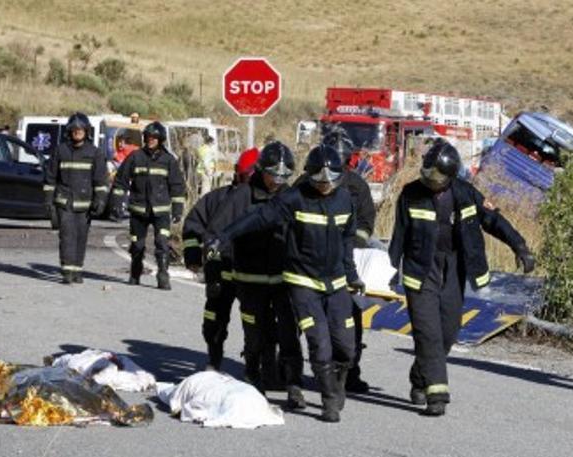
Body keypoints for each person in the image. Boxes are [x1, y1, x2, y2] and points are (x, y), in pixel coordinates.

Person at [210, 144, 365, 423]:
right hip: (301, 281)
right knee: (317, 341)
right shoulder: (294, 199)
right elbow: (258, 217)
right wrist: (225, 237)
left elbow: (347, 240)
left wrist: (352, 275)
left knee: (346, 346)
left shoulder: (345, 200)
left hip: (336, 283)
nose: (325, 186)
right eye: (320, 180)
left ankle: (338, 379)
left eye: (331, 180)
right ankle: (327, 399)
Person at [388, 140, 535, 416]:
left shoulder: (466, 193)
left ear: (451, 176)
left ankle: (420, 377)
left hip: (454, 268)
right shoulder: (410, 194)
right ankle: (437, 394)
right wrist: (392, 268)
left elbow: (494, 221)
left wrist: (520, 246)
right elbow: (399, 235)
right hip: (421, 269)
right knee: (427, 331)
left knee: (448, 331)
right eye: (428, 172)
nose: (431, 179)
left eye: (437, 176)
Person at [208, 142, 301, 402]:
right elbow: (215, 236)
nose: (277, 181)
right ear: (261, 170)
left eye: (284, 177)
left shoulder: (291, 196)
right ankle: (253, 374)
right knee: (255, 332)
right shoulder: (241, 196)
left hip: (284, 279)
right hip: (249, 279)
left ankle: (292, 382)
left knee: (288, 333)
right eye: (273, 175)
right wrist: (215, 274)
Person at [182, 147, 259, 371]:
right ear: (237, 172)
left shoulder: (266, 202)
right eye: (244, 176)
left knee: (255, 323)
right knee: (214, 319)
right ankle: (214, 359)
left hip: (252, 275)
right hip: (222, 272)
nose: (247, 182)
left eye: (251, 177)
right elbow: (194, 227)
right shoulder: (217, 199)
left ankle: (255, 366)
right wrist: (198, 256)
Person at [317, 130, 376, 393]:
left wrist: (354, 243)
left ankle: (350, 372)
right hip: (313, 263)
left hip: (346, 262)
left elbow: (366, 222)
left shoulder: (357, 186)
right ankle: (289, 369)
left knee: (351, 320)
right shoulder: (310, 181)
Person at [110, 121, 185, 290]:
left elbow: (177, 186)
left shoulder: (169, 160)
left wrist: (178, 209)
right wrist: (116, 203)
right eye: (148, 138)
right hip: (138, 210)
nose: (151, 140)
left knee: (162, 243)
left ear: (161, 139)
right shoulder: (136, 157)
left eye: (154, 138)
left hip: (161, 211)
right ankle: (135, 272)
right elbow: (120, 180)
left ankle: (163, 274)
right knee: (137, 244)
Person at [43, 112, 108, 284]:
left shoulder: (95, 153)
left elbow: (100, 180)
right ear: (69, 131)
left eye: (80, 129)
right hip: (64, 203)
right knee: (67, 236)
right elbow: (50, 178)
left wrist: (100, 200)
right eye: (74, 129)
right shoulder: (60, 150)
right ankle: (67, 271)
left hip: (85, 205)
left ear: (86, 131)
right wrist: (48, 201)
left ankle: (77, 270)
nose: (77, 132)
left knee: (81, 237)